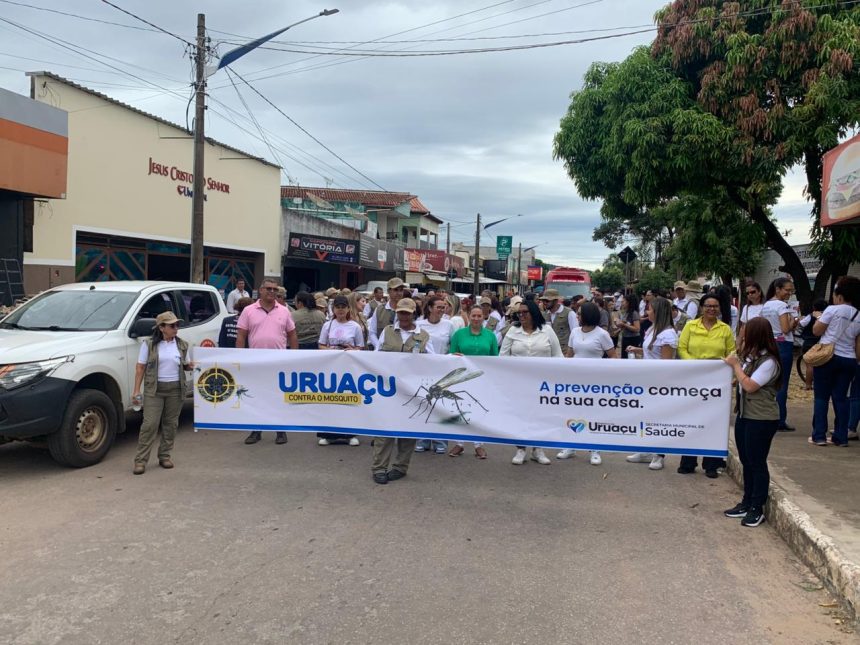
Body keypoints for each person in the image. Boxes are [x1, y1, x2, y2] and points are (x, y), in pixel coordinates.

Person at [723, 317, 783, 527]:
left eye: (746, 333)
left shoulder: (769, 362)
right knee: (746, 461)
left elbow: (749, 385)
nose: (743, 337)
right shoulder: (751, 358)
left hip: (762, 418)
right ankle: (746, 502)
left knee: (757, 462)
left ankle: (757, 507)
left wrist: (736, 366)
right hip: (745, 415)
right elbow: (739, 380)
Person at [372, 298, 434, 484]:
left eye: (407, 312)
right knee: (385, 430)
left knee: (408, 431)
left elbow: (434, 359)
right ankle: (379, 468)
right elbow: (376, 355)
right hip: (389, 389)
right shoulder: (387, 332)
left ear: (414, 313)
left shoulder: (423, 336)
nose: (404, 316)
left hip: (412, 391)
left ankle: (400, 467)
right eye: (401, 312)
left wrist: (453, 358)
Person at [677, 293, 736, 477]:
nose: (712, 309)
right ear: (702, 307)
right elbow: (682, 348)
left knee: (713, 421)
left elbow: (731, 352)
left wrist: (729, 373)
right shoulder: (690, 326)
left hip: (716, 382)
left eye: (715, 306)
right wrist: (695, 365)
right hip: (693, 379)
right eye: (708, 306)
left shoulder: (725, 329)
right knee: (691, 419)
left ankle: (711, 464)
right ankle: (688, 461)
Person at [131, 311, 195, 475]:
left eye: (177, 325)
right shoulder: (149, 344)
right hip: (155, 389)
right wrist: (137, 390)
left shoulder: (182, 344)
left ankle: (164, 455)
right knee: (150, 425)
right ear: (161, 328)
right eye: (172, 325)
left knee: (171, 425)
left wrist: (191, 366)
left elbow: (186, 365)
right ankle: (140, 460)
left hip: (175, 388)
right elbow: (140, 367)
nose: (176, 328)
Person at [501, 298, 563, 465]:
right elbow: (503, 357)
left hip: (542, 384)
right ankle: (520, 449)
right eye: (519, 313)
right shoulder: (512, 332)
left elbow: (558, 356)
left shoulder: (547, 330)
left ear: (534, 313)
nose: (521, 315)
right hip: (518, 384)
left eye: (525, 312)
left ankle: (538, 449)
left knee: (540, 416)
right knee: (520, 416)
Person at [237, 278, 298, 446]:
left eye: (275, 289)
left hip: (279, 362)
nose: (272, 292)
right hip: (255, 362)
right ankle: (256, 431)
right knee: (256, 396)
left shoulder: (284, 311)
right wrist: (239, 358)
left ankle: (280, 431)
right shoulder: (249, 310)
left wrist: (294, 356)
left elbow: (292, 334)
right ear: (260, 290)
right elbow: (241, 335)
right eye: (269, 289)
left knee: (278, 396)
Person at [557, 301, 617, 465]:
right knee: (573, 412)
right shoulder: (575, 332)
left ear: (588, 315)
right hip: (574, 381)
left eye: (580, 313)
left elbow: (612, 356)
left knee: (592, 414)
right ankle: (570, 445)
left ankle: (595, 449)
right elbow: (569, 354)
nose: (577, 316)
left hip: (594, 382)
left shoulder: (602, 334)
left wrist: (603, 370)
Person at [625, 296, 678, 471]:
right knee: (645, 418)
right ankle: (645, 450)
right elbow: (651, 352)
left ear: (658, 312)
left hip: (659, 384)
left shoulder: (668, 334)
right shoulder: (652, 329)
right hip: (647, 382)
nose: (646, 312)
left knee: (659, 420)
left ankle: (659, 454)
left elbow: (666, 362)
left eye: (649, 309)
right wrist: (637, 350)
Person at [810, 276, 860, 447]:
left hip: (828, 357)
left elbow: (817, 331)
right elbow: (858, 346)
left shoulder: (832, 310)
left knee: (821, 397)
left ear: (839, 296)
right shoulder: (859, 315)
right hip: (849, 360)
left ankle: (819, 436)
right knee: (841, 398)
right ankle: (841, 436)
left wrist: (818, 317)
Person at [448, 305, 500, 459]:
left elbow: (495, 359)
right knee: (460, 408)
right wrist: (454, 355)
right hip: (462, 377)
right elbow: (451, 354)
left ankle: (479, 444)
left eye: (479, 316)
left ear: (484, 317)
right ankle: (460, 443)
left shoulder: (490, 336)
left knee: (479, 409)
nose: (476, 319)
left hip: (482, 378)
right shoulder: (459, 334)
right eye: (473, 316)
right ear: (468, 317)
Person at [316, 294, 363, 447]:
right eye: (338, 307)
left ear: (348, 309)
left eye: (343, 307)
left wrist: (352, 350)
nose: (341, 310)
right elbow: (321, 345)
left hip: (348, 369)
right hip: (331, 368)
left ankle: (350, 434)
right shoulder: (327, 325)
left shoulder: (355, 326)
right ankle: (328, 435)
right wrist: (330, 350)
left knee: (349, 399)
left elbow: (360, 347)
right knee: (330, 399)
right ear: (333, 309)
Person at [761, 277, 799, 432]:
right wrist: (795, 321)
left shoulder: (766, 305)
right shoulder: (783, 306)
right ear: (778, 289)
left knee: (769, 381)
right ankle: (780, 420)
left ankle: (766, 415)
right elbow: (785, 329)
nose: (789, 293)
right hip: (783, 344)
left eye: (791, 290)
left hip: (768, 344)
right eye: (787, 290)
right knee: (782, 384)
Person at [797, 299, 828, 390]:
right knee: (822, 365)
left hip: (809, 342)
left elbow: (801, 324)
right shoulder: (827, 317)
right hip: (822, 344)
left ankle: (808, 385)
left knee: (810, 365)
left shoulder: (810, 316)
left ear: (814, 307)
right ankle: (821, 385)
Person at [367, 277, 406, 350]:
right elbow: (372, 332)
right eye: (396, 290)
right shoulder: (379, 309)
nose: (399, 293)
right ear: (389, 291)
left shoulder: (407, 310)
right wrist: (379, 346)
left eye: (401, 290)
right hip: (382, 352)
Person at [539, 288, 578, 358]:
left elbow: (575, 334)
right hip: (549, 353)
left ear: (555, 301)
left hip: (564, 353)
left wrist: (570, 354)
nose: (544, 303)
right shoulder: (544, 315)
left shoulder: (569, 313)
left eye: (547, 301)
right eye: (543, 300)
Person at [738, 281, 765, 346]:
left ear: (759, 292)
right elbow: (743, 327)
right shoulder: (746, 308)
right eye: (747, 293)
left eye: (753, 292)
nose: (750, 295)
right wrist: (739, 344)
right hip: (749, 341)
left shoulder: (766, 306)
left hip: (763, 340)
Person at [617, 293, 642, 359]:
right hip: (626, 337)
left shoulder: (634, 313)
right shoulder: (626, 312)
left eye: (623, 301)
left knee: (630, 357)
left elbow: (637, 328)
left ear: (628, 302)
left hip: (632, 339)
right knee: (624, 357)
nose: (622, 303)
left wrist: (624, 324)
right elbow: (627, 324)